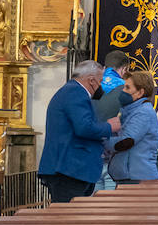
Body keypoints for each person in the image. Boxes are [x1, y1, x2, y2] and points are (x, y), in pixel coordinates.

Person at [38, 61, 120, 202]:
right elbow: (83, 127)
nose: (102, 87)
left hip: (70, 169)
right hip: (69, 170)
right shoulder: (75, 92)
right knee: (67, 218)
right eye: (101, 81)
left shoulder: (71, 91)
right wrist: (108, 127)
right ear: (91, 80)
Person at [105, 70, 158, 184]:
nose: (123, 91)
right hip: (129, 175)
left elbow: (126, 142)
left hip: (137, 177)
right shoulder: (131, 110)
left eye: (127, 88)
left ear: (140, 92)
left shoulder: (143, 112)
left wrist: (101, 138)